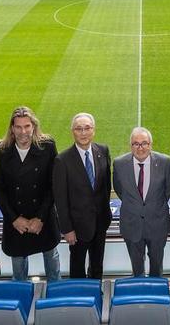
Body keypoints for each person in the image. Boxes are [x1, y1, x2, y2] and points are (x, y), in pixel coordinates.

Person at [0, 106, 61, 281]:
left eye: (27, 126)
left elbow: (54, 184)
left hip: (43, 217)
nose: (23, 131)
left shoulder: (48, 146)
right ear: (12, 129)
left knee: (52, 262)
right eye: (19, 127)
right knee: (19, 269)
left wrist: (41, 218)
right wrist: (14, 219)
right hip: (16, 220)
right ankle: (21, 299)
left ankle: (57, 300)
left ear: (34, 126)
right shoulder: (1, 150)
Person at [52, 112, 112, 279]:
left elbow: (106, 186)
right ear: (73, 131)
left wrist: (105, 215)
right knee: (77, 268)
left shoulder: (103, 151)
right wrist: (67, 229)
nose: (83, 133)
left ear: (93, 130)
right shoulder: (62, 160)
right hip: (77, 229)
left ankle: (96, 297)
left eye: (87, 128)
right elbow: (60, 199)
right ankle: (79, 300)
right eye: (79, 129)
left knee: (97, 266)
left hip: (100, 223)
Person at [113, 127, 170, 277]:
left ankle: (157, 296)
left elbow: (169, 189)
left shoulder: (164, 162)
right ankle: (139, 294)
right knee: (136, 269)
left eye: (144, 143)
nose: (140, 148)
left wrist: (152, 205)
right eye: (136, 144)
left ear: (151, 144)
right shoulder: (119, 164)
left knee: (157, 268)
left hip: (157, 224)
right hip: (132, 224)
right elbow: (120, 190)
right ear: (131, 146)